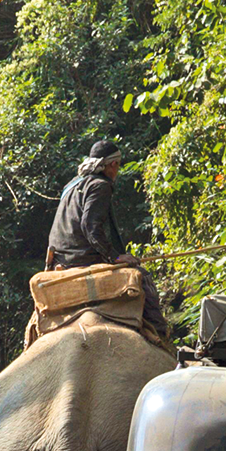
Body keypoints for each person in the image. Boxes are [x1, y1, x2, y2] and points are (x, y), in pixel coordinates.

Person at [45, 139, 168, 339]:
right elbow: (90, 228)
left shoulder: (71, 185)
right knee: (142, 276)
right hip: (82, 260)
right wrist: (115, 257)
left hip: (58, 260)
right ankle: (161, 337)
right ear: (113, 164)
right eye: (117, 166)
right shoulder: (101, 185)